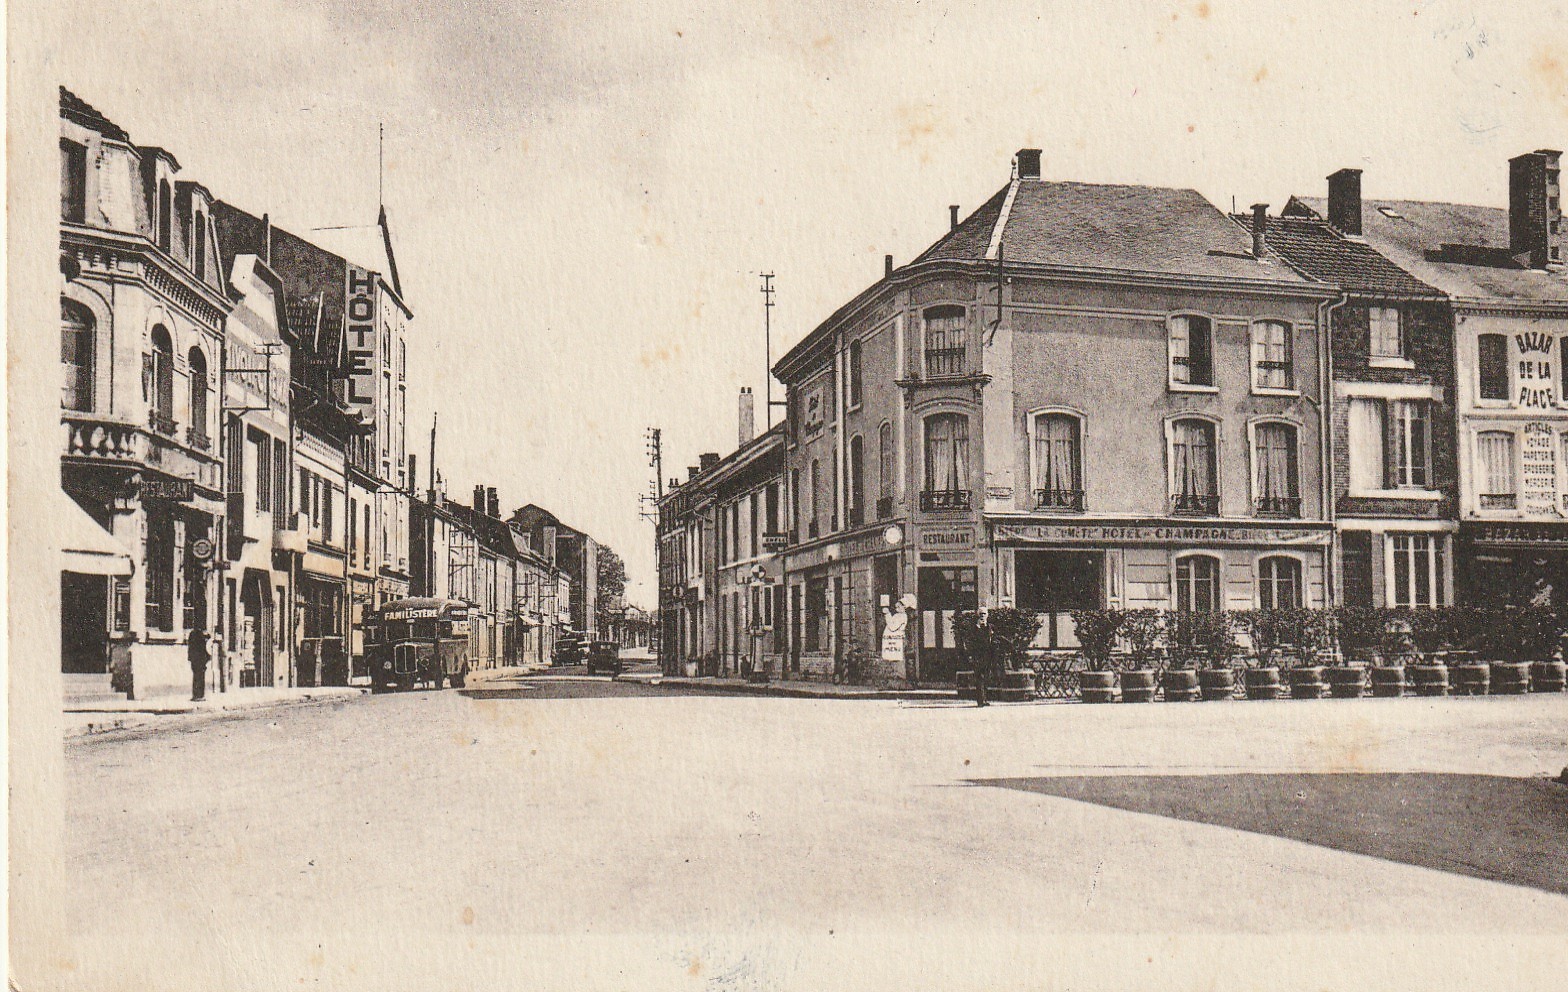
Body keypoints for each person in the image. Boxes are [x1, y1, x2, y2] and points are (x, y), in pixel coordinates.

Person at [189, 629, 210, 702]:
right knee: (200, 678)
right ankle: (200, 695)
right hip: (201, 660)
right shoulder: (204, 635)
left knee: (196, 677)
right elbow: (207, 648)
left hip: (195, 660)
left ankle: (195, 695)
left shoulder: (192, 633)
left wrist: (190, 658)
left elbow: (190, 648)